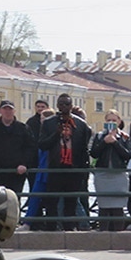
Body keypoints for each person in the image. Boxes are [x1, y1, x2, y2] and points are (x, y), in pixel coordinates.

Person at [36, 94, 92, 231]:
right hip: (55, 168)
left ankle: (69, 229)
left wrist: (84, 171)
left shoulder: (81, 125)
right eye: (61, 104)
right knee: (51, 202)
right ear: (57, 106)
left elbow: (85, 149)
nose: (64, 107)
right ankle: (51, 229)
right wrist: (56, 134)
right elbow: (42, 145)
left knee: (71, 202)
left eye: (67, 104)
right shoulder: (49, 123)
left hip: (73, 169)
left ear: (71, 106)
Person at [90, 109, 131, 231]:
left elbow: (127, 155)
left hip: (118, 174)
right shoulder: (99, 136)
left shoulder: (124, 137)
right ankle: (103, 233)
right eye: (109, 120)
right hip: (103, 174)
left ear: (119, 121)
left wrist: (115, 142)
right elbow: (94, 153)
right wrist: (104, 142)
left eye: (114, 120)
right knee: (103, 206)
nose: (111, 122)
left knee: (118, 207)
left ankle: (118, 234)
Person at [0, 100, 35, 193]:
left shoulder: (23, 128)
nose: (7, 111)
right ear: (0, 111)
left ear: (14, 111)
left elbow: (30, 148)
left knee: (13, 200)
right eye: (5, 109)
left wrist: (24, 164)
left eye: (10, 109)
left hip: (17, 171)